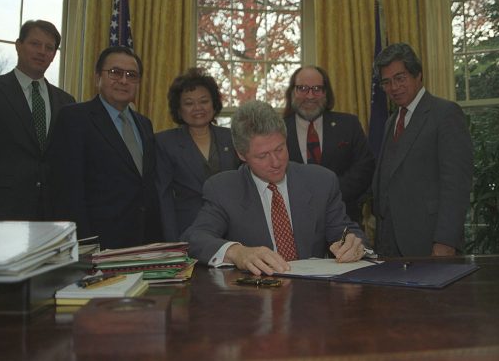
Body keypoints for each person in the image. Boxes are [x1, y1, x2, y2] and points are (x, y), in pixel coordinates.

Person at [181, 100, 368, 276]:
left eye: (280, 149)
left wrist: (353, 243)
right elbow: (194, 238)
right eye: (262, 156)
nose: (276, 162)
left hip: (312, 296)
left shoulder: (321, 181)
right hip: (253, 297)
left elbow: (344, 230)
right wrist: (237, 252)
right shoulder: (223, 189)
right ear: (241, 154)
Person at [49, 46, 162, 249]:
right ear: (97, 77)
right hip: (97, 244)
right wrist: (84, 247)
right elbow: (67, 192)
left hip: (144, 244)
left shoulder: (144, 124)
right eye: (115, 72)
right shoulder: (74, 118)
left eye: (132, 75)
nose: (124, 80)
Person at [371, 43, 473, 257]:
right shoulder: (392, 121)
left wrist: (445, 241)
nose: (394, 88)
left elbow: (456, 185)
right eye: (387, 82)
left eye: (400, 78)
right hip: (388, 245)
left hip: (428, 242)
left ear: (418, 74)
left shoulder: (445, 114)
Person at [0, 20, 75, 221]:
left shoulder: (66, 102)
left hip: (51, 215)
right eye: (35, 44)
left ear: (54, 55)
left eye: (49, 47)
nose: (42, 52)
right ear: (19, 46)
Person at [283, 66, 375, 226]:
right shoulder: (277, 131)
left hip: (343, 219)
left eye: (317, 89)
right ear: (292, 92)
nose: (310, 96)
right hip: (292, 222)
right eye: (302, 88)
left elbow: (364, 168)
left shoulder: (349, 124)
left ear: (326, 93)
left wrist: (327, 193)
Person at [155, 67, 240, 241]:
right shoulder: (164, 142)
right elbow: (163, 199)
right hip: (187, 230)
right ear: (179, 109)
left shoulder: (232, 138)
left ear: (214, 104)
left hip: (232, 231)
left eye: (204, 101)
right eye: (188, 103)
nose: (197, 108)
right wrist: (172, 243)